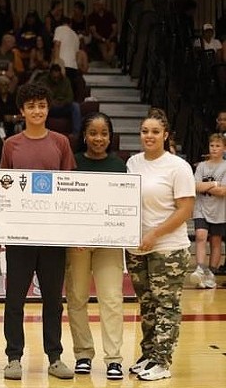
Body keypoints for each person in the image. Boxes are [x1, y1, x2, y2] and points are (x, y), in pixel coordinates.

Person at [0, 82, 75, 380]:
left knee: (53, 299)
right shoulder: (11, 145)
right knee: (15, 298)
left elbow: (70, 188)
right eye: (31, 106)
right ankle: (14, 357)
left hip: (53, 236)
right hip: (20, 236)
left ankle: (54, 357)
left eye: (41, 105)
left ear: (48, 107)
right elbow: (5, 186)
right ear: (22, 111)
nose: (37, 110)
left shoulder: (61, 142)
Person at [126, 108, 195, 381]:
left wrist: (154, 234)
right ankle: (149, 354)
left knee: (166, 305)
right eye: (145, 131)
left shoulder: (178, 167)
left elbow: (185, 210)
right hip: (137, 248)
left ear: (165, 135)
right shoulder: (132, 163)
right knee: (147, 305)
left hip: (168, 248)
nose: (149, 136)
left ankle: (163, 361)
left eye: (155, 131)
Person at [65, 112, 126, 380]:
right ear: (84, 136)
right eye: (93, 133)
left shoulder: (120, 166)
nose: (98, 138)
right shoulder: (73, 163)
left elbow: (124, 209)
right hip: (78, 244)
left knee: (111, 299)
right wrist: (73, 234)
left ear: (110, 137)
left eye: (103, 133)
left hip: (109, 245)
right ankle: (83, 354)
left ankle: (113, 358)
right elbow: (65, 203)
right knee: (77, 297)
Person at [189, 134, 226, 288]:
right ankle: (200, 269)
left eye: (218, 146)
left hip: (219, 210)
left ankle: (211, 273)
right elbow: (194, 186)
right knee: (200, 236)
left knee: (216, 241)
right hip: (201, 208)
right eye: (212, 146)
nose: (214, 149)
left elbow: (223, 192)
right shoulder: (202, 166)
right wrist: (215, 184)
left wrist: (207, 186)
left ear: (224, 148)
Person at [38, 64, 82, 136]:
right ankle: (40, 132)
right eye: (54, 77)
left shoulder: (66, 81)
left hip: (63, 106)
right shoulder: (43, 81)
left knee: (75, 106)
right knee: (41, 106)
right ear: (50, 74)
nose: (56, 79)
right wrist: (51, 102)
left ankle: (76, 134)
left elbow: (70, 97)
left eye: (57, 77)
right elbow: (40, 95)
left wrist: (63, 102)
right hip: (49, 107)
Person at [88, 0, 118, 66]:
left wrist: (109, 39)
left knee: (112, 49)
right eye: (94, 4)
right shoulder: (91, 16)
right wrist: (104, 40)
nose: (95, 6)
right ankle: (111, 63)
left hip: (111, 37)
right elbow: (94, 33)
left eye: (97, 5)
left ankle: (110, 61)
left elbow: (115, 29)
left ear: (102, 5)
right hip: (100, 39)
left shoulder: (110, 14)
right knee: (104, 51)